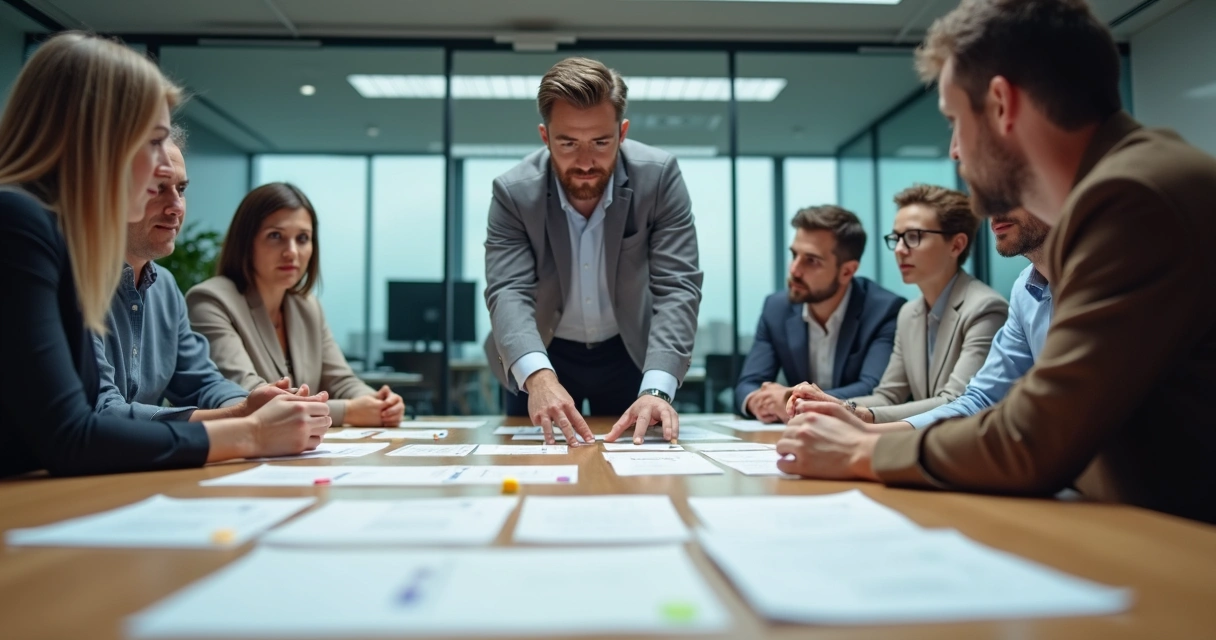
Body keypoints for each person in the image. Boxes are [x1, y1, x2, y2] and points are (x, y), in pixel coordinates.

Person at [778, 0, 1216, 524]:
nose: (956, 152)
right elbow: (1008, 413)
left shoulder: (1132, 196)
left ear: (1003, 104)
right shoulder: (1111, 203)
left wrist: (858, 452)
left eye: (955, 121)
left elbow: (1034, 437)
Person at [0, 32, 331, 477]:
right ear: (98, 138)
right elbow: (74, 434)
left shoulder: (60, 243)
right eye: (153, 141)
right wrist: (249, 433)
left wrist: (245, 415)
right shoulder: (17, 222)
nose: (163, 169)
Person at [483, 57, 703, 445]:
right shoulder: (513, 192)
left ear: (622, 131)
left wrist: (656, 390)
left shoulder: (660, 177)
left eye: (601, 142)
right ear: (544, 136)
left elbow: (677, 287)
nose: (585, 162)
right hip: (542, 349)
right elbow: (508, 291)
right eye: (568, 143)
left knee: (635, 471)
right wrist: (537, 377)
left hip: (628, 350)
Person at [791, 207, 1053, 432]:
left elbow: (961, 399)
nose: (901, 250)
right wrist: (841, 408)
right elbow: (889, 395)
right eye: (897, 238)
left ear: (956, 245)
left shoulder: (986, 306)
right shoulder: (909, 312)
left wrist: (860, 417)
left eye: (914, 237)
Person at [94, 127, 288, 422]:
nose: (176, 207)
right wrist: (242, 416)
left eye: (181, 190)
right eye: (157, 188)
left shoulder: (165, 288)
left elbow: (202, 382)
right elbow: (100, 411)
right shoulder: (73, 281)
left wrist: (256, 405)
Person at [187, 183, 406, 427]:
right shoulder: (210, 301)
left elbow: (341, 381)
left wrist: (379, 403)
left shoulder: (307, 307)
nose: (291, 252)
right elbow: (251, 398)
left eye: (302, 239)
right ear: (246, 242)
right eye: (275, 236)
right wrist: (348, 411)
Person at [735, 205, 904, 423]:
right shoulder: (776, 308)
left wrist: (790, 399)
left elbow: (874, 388)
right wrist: (758, 401)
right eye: (794, 255)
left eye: (811, 260)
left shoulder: (884, 310)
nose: (794, 270)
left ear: (847, 271)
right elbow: (748, 384)